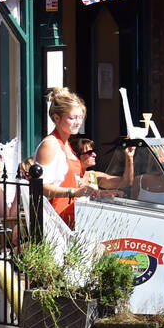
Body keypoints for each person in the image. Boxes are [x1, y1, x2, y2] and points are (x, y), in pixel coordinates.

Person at [35, 87, 97, 227]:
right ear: (57, 118)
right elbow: (40, 187)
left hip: (71, 219)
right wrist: (74, 191)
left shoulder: (67, 144)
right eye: (72, 118)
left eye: (80, 117)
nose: (78, 122)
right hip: (54, 222)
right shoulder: (50, 144)